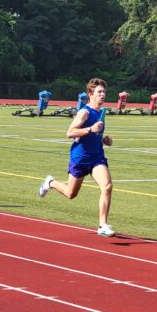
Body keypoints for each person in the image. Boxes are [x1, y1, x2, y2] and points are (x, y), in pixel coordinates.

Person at [39, 77, 115, 237]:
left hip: (96, 158)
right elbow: (70, 133)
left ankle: (102, 225)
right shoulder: (84, 113)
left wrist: (103, 139)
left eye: (104, 92)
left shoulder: (101, 112)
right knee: (70, 194)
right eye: (99, 92)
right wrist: (90, 129)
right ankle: (50, 182)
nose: (102, 95)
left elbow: (95, 134)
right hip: (80, 160)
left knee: (107, 186)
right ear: (90, 94)